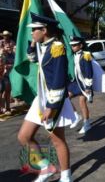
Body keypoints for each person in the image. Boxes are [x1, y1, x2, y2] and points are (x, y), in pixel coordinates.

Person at [17, 13, 76, 182]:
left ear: (44, 30)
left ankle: (66, 176)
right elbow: (32, 58)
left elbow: (58, 80)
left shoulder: (57, 47)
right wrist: (34, 42)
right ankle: (46, 167)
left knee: (57, 140)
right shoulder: (42, 45)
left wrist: (51, 106)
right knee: (24, 136)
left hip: (53, 99)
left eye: (34, 30)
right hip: (41, 98)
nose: (31, 33)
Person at [68, 36, 93, 134]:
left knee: (82, 102)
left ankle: (87, 124)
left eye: (75, 45)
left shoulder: (86, 55)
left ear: (80, 45)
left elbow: (89, 72)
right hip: (76, 82)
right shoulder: (73, 55)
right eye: (72, 45)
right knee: (66, 97)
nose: (73, 47)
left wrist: (88, 87)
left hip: (84, 83)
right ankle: (75, 116)